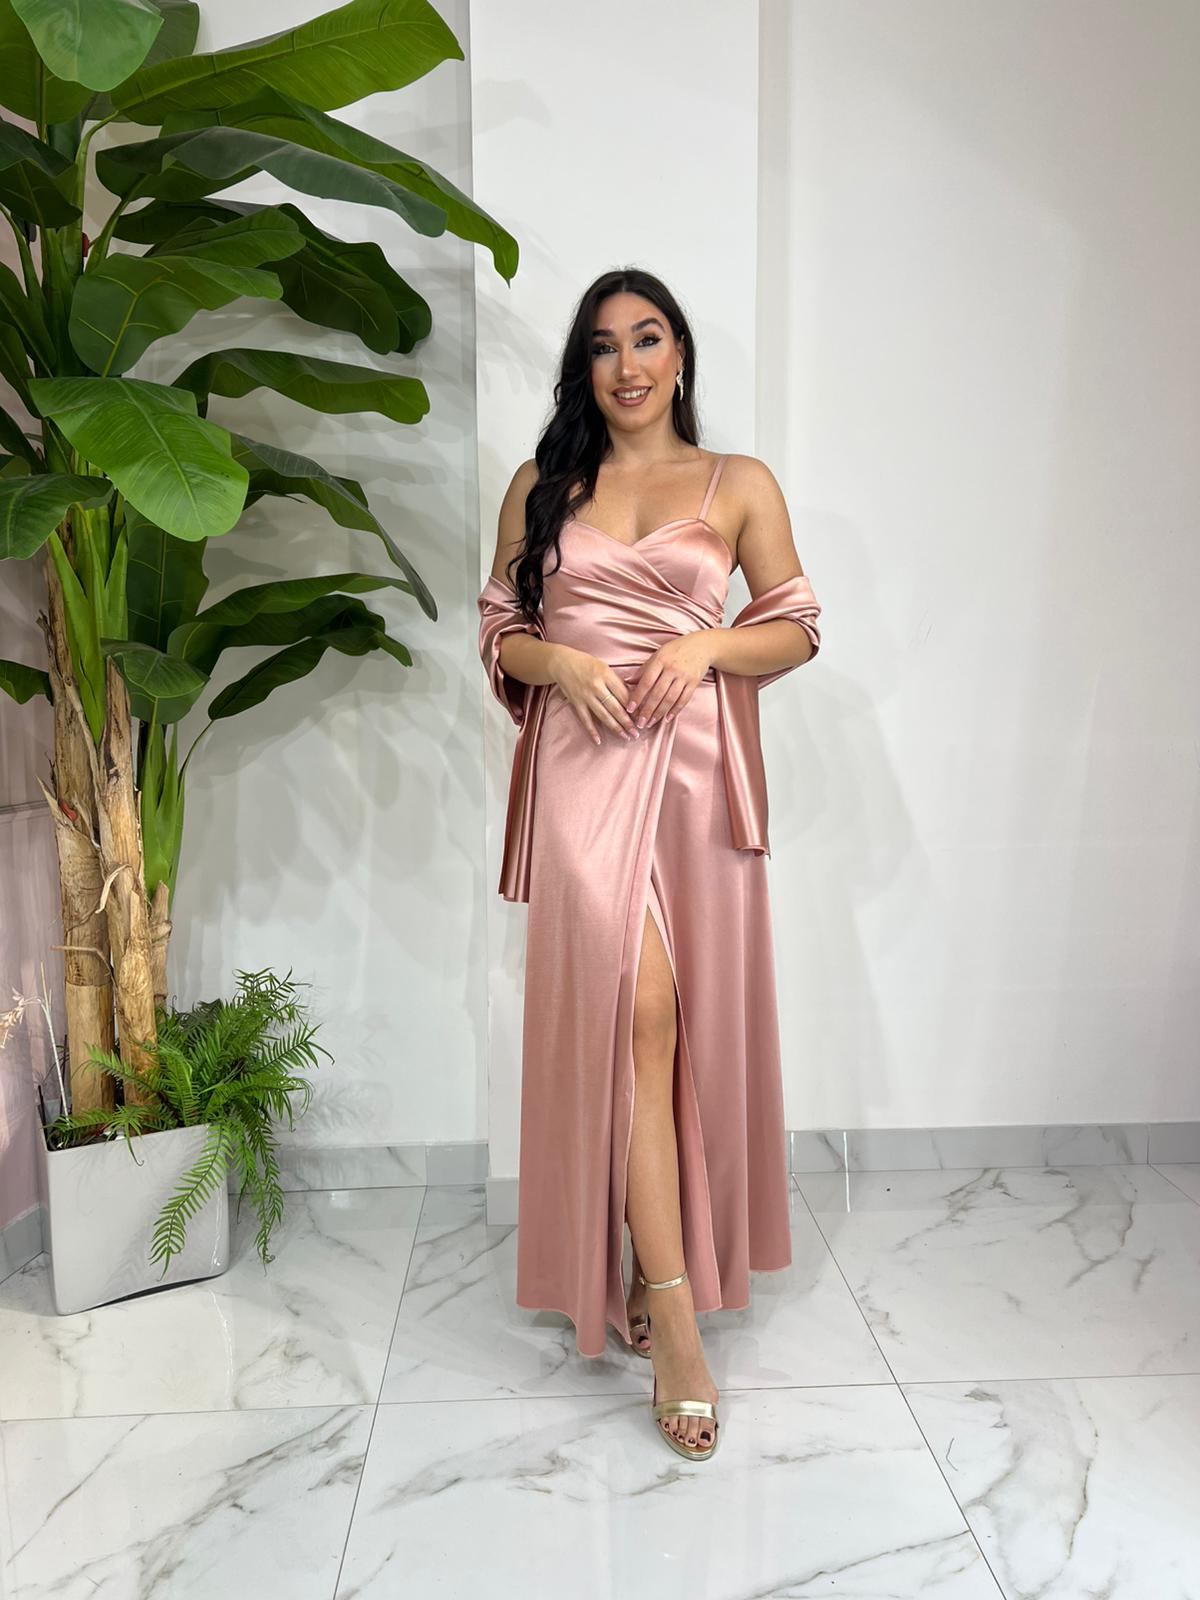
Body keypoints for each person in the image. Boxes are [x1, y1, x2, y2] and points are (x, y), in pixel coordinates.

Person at [477, 268, 822, 1462]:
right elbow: (499, 629)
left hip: (693, 776)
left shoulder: (738, 483)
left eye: (648, 339)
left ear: (678, 357)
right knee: (632, 1014)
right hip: (585, 766)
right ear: (584, 368)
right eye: (603, 346)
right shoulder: (541, 484)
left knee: (670, 1030)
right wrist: (559, 663)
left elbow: (797, 622)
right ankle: (675, 1324)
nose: (627, 365)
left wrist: (710, 643)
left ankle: (651, 1256)